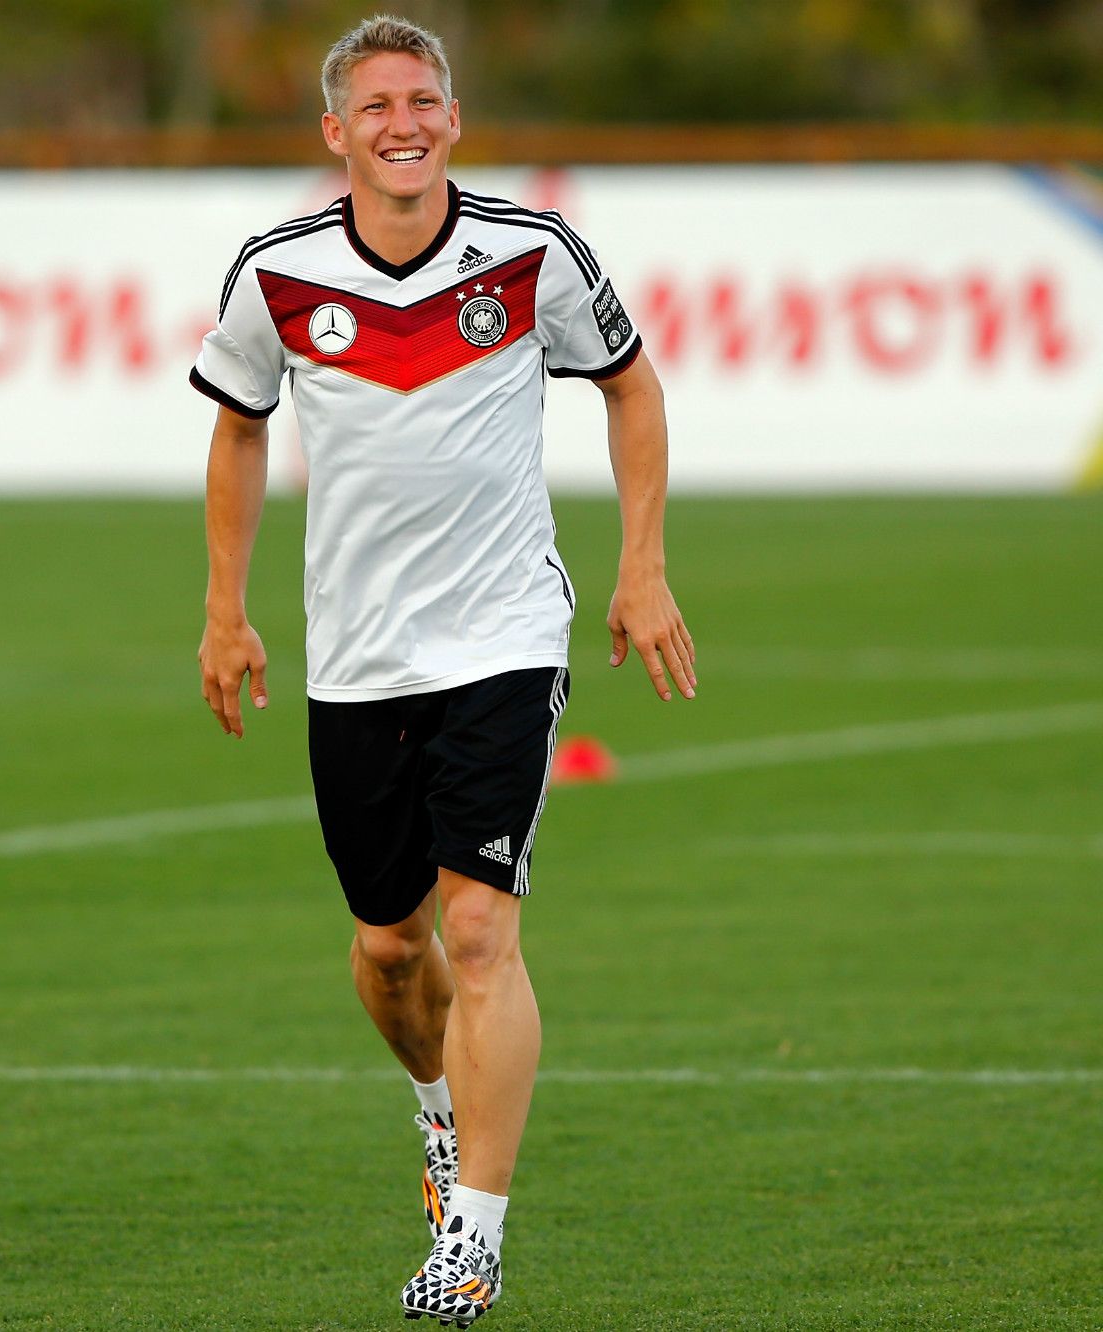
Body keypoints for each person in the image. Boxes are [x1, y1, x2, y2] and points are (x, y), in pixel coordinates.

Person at [192, 16, 696, 1326]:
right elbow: (238, 431)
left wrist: (642, 565)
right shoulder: (276, 273)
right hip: (355, 659)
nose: (402, 122)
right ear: (335, 132)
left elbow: (633, 390)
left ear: (455, 119)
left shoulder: (532, 254)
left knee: (478, 930)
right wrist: (224, 610)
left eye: (424, 99)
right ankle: (436, 1106)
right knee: (385, 951)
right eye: (377, 105)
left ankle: (473, 1235)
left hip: (503, 638)